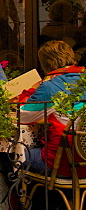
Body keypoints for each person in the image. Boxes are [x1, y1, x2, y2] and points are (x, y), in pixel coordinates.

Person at [19, 41, 86, 178]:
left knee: (10, 153)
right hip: (83, 164)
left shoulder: (50, 87)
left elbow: (23, 116)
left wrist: (31, 89)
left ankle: (9, 199)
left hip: (62, 165)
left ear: (45, 64)